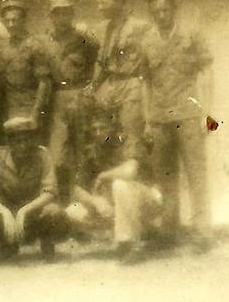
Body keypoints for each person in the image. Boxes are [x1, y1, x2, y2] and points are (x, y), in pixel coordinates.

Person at [141, 0, 215, 253]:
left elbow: (207, 75)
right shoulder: (147, 42)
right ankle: (169, 231)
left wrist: (209, 116)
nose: (162, 15)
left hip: (189, 115)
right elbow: (145, 82)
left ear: (174, 10)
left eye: (166, 10)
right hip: (160, 118)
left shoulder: (191, 37)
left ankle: (202, 232)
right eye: (156, 11)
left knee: (196, 174)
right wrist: (147, 120)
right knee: (165, 177)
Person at [64, 110, 162, 264]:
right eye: (95, 129)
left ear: (112, 128)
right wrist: (95, 201)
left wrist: (104, 175)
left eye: (102, 128)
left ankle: (128, 244)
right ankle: (136, 232)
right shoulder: (93, 150)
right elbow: (76, 189)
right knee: (72, 210)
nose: (98, 133)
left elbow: (130, 171)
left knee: (120, 185)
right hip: (116, 207)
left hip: (146, 202)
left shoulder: (129, 141)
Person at [0, 117, 67, 263]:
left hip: (35, 209)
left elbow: (49, 192)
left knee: (53, 211)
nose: (23, 145)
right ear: (9, 142)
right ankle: (7, 246)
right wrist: (4, 212)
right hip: (9, 208)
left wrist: (24, 211)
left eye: (27, 140)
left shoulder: (42, 154)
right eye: (17, 141)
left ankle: (47, 242)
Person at [90, 0, 150, 172]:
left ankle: (132, 178)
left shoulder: (140, 27)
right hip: (110, 87)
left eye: (103, 2)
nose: (99, 6)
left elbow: (148, 63)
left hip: (131, 85)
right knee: (106, 137)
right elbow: (102, 63)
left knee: (131, 136)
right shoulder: (102, 29)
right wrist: (92, 88)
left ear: (118, 1)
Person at [45, 0, 99, 201]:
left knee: (82, 151)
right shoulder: (45, 40)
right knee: (57, 154)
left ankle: (83, 201)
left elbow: (99, 60)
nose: (62, 18)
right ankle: (60, 202)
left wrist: (90, 89)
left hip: (79, 96)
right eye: (57, 13)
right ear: (51, 16)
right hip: (56, 98)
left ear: (72, 15)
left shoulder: (84, 38)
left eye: (66, 13)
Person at [0, 0, 53, 127]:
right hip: (8, 107)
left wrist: (35, 115)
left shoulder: (35, 46)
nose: (11, 24)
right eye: (7, 21)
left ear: (23, 21)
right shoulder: (3, 46)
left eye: (14, 20)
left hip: (29, 107)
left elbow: (44, 83)